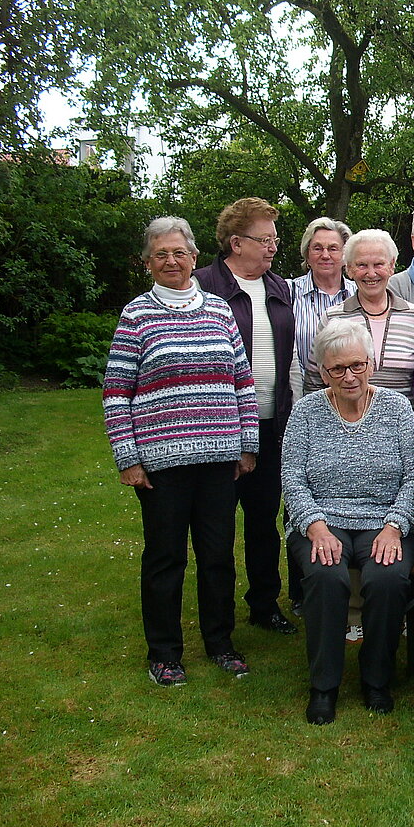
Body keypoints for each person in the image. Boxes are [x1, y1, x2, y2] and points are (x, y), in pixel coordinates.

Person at [104, 216, 258, 686]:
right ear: (148, 262)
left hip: (219, 461)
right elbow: (116, 391)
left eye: (179, 252)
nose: (171, 261)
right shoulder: (136, 315)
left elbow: (242, 381)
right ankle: (165, 653)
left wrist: (247, 445)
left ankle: (220, 642)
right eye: (161, 254)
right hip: (161, 465)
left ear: (194, 257)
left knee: (217, 557)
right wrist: (127, 457)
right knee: (166, 558)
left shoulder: (218, 310)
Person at [283, 320, 414, 724]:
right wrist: (315, 525)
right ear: (322, 372)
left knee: (387, 577)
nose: (349, 376)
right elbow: (291, 476)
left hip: (384, 519)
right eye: (337, 369)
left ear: (372, 363)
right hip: (322, 519)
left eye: (357, 365)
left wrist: (395, 525)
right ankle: (323, 685)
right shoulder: (307, 411)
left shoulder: (396, 409)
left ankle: (376, 678)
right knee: (327, 576)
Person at [194, 197, 297, 635]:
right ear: (235, 243)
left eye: (275, 238)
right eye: (263, 239)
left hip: (271, 422)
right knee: (215, 525)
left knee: (263, 519)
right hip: (218, 425)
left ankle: (264, 603)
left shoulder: (278, 288)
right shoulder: (203, 287)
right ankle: (216, 618)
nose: (272, 246)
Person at [305, 229, 414, 402]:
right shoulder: (333, 319)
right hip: (345, 426)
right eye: (362, 265)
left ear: (392, 266)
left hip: (403, 425)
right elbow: (314, 383)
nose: (371, 274)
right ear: (349, 269)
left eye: (378, 264)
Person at [287, 217, 356, 406]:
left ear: (345, 255)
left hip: (351, 400)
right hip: (300, 400)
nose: (325, 255)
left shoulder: (359, 294)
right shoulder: (287, 292)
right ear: (307, 254)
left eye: (333, 248)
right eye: (317, 248)